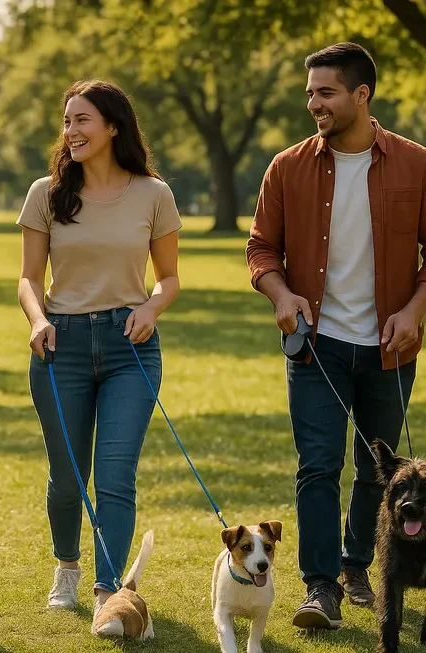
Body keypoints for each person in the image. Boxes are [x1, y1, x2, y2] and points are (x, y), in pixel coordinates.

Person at [246, 42, 426, 631]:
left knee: (379, 471)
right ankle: (320, 586)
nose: (313, 103)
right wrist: (282, 296)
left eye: (325, 93)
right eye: (309, 93)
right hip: (316, 344)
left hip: (391, 347)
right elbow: (261, 251)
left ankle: (357, 567)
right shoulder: (287, 166)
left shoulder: (415, 164)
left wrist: (415, 310)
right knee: (316, 466)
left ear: (361, 95)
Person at [16, 79, 181, 632]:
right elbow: (28, 279)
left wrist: (151, 309)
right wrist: (38, 320)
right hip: (59, 344)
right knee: (67, 479)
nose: (71, 131)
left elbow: (170, 278)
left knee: (115, 477)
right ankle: (66, 567)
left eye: (82, 120)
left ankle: (110, 590)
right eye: (67, 122)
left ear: (114, 126)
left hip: (128, 346)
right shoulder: (46, 192)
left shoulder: (153, 193)